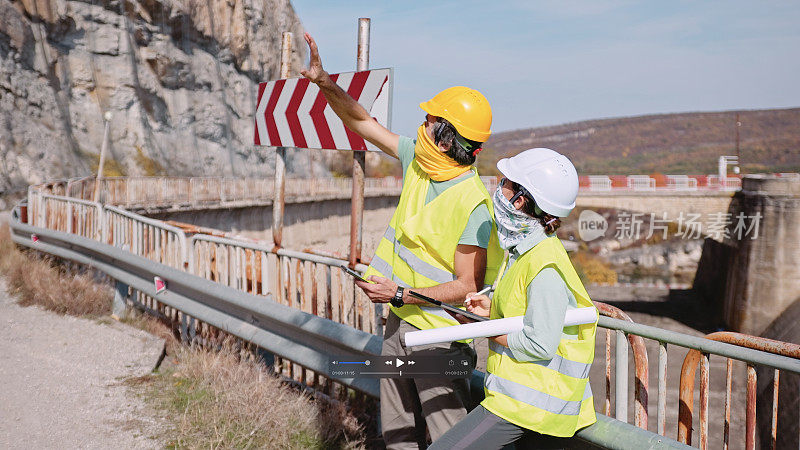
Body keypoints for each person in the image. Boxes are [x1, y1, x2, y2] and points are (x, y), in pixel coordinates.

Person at [300, 33, 503, 448]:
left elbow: (466, 286)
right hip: (400, 322)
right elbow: (362, 123)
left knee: (450, 437)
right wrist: (324, 83)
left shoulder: (474, 204)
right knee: (398, 431)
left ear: (445, 137)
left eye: (430, 121)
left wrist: (401, 292)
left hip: (440, 337)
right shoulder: (421, 161)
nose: (422, 124)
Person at [429, 148, 598, 449]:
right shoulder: (523, 251)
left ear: (520, 200)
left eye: (505, 182)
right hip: (519, 401)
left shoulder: (545, 265)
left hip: (529, 405)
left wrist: (485, 326)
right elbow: (530, 311)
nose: (498, 187)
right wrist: (490, 309)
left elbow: (539, 342)